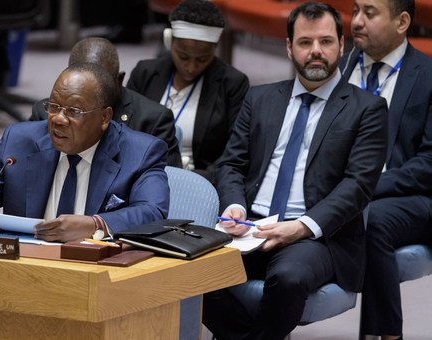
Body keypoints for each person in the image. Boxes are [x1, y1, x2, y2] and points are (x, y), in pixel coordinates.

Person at [202, 2, 388, 339]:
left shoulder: (367, 109)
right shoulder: (259, 99)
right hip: (251, 225)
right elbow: (232, 164)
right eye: (305, 42)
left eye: (326, 41)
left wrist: (301, 227)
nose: (316, 51)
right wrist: (235, 206)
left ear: (342, 45)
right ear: (289, 47)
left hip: (318, 236)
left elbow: (358, 186)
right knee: (192, 271)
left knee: (288, 278)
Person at [0, 63, 170, 242]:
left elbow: (152, 211)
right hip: (25, 268)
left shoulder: (141, 152)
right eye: (54, 106)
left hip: (96, 273)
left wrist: (95, 224)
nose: (58, 119)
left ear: (104, 117)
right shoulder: (21, 142)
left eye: (74, 111)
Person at [339, 0, 432, 338]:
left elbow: (428, 165)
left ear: (402, 21)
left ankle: (390, 335)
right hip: (347, 193)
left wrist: (363, 187)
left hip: (413, 196)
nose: (356, 22)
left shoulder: (428, 75)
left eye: (370, 13)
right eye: (355, 10)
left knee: (373, 219)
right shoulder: (342, 68)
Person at [126, 0, 249, 183]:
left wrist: (197, 180)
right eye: (183, 56)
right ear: (169, 42)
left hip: (197, 179)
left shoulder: (232, 84)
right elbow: (123, 131)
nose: (191, 67)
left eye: (202, 59)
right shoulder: (146, 73)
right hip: (140, 173)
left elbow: (235, 150)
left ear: (214, 50)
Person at [31, 37, 182, 167]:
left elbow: (168, 184)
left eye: (101, 82)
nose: (90, 89)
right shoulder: (45, 113)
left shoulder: (153, 120)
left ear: (119, 80)